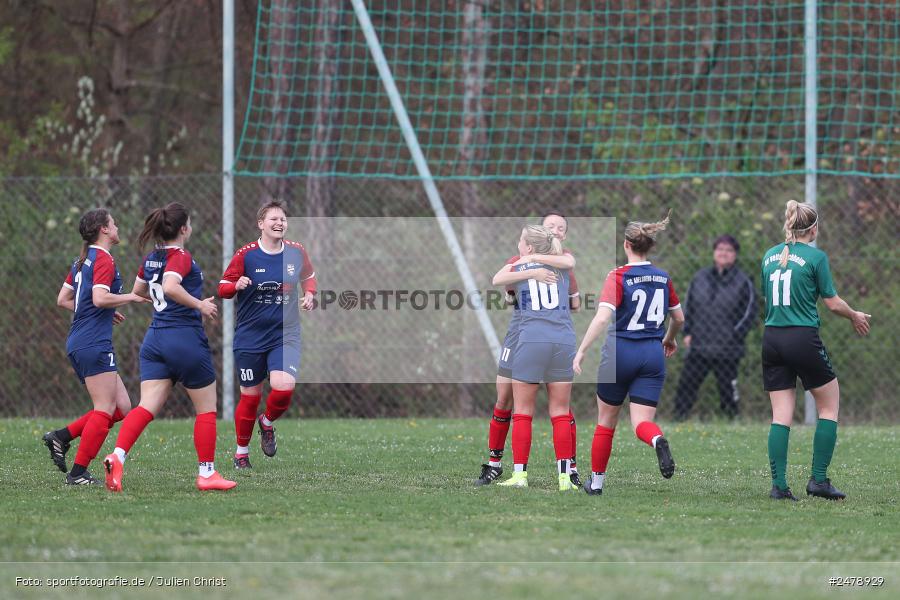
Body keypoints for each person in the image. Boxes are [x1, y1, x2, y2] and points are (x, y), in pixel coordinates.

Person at [103, 202, 236, 492]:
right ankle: (207, 474)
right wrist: (199, 304)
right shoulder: (181, 256)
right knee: (206, 409)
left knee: (146, 406)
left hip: (155, 340)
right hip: (184, 339)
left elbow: (138, 291)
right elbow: (171, 286)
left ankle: (117, 456)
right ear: (184, 229)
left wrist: (165, 305)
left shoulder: (152, 258)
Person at [761, 200, 870, 501]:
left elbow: (768, 299)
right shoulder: (816, 257)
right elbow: (832, 303)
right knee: (829, 407)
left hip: (772, 338)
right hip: (801, 338)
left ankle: (779, 487)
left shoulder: (769, 256)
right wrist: (854, 315)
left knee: (781, 415)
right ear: (814, 228)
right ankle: (818, 481)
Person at [573, 212, 683, 496]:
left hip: (620, 352)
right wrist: (669, 338)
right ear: (650, 246)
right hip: (652, 353)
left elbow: (601, 318)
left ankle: (596, 483)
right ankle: (657, 439)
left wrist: (581, 350)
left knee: (606, 421)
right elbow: (679, 318)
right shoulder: (662, 277)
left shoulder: (618, 275)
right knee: (641, 422)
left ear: (626, 244)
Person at [474, 212, 581, 487]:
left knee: (530, 409)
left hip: (532, 336)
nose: (556, 230)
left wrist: (529, 268)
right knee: (508, 400)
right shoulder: (529, 261)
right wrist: (532, 271)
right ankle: (498, 465)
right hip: (535, 335)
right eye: (551, 226)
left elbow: (573, 294)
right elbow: (510, 295)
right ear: (543, 232)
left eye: (561, 227)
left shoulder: (558, 261)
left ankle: (549, 471)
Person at [47, 209, 146, 485]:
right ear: (104, 229)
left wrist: (100, 311)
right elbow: (100, 298)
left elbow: (63, 299)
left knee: (122, 407)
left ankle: (61, 437)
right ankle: (78, 473)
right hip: (92, 342)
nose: (117, 227)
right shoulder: (102, 258)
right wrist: (131, 297)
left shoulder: (83, 259)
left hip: (82, 340)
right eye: (113, 223)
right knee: (104, 408)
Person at [218, 200, 317, 469]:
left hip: (285, 333)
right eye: (273, 219)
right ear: (261, 224)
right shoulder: (246, 255)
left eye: (282, 219)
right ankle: (241, 453)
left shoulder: (296, 252)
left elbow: (309, 276)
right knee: (250, 397)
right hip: (250, 336)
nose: (279, 223)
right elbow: (223, 287)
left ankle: (267, 422)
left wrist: (310, 294)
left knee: (284, 387)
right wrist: (236, 285)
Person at [673, 234, 756, 420]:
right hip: (699, 344)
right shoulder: (700, 277)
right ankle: (679, 419)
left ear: (735, 255)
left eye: (728, 250)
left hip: (728, 348)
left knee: (728, 389)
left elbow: (749, 314)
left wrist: (733, 336)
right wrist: (687, 332)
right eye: (720, 249)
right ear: (714, 252)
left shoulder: (744, 281)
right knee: (686, 384)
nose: (723, 253)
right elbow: (688, 307)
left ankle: (731, 420)